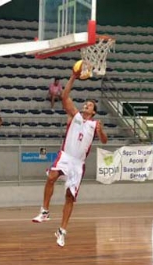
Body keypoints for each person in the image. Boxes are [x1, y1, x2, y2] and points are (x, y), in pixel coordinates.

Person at [31, 72, 108, 247]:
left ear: (93, 111)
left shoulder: (95, 124)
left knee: (69, 197)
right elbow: (64, 96)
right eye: (85, 104)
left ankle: (62, 231)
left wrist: (101, 131)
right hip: (66, 155)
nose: (86, 105)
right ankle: (44, 211)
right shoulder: (75, 115)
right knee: (51, 177)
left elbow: (104, 141)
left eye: (89, 105)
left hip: (78, 163)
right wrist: (74, 77)